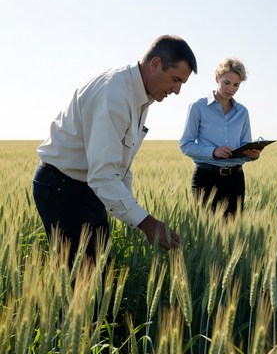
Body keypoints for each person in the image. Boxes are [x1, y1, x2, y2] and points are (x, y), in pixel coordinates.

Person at [32, 35, 197, 265]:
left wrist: (134, 213)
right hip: (62, 189)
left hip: (89, 188)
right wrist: (146, 222)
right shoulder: (115, 94)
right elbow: (103, 174)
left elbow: (119, 166)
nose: (177, 91)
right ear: (156, 64)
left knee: (100, 275)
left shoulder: (141, 96)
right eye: (175, 79)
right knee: (83, 282)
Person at [179, 57, 263, 217]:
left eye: (236, 85)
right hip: (206, 179)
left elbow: (245, 144)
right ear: (217, 78)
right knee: (203, 231)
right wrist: (213, 151)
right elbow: (186, 144)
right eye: (226, 82)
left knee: (232, 233)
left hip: (235, 180)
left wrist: (253, 155)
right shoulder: (198, 107)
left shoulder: (243, 112)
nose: (230, 88)